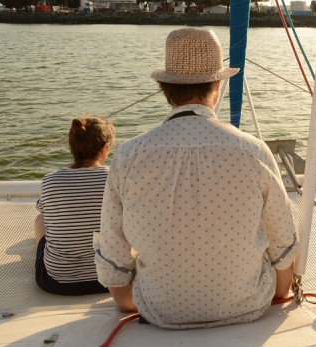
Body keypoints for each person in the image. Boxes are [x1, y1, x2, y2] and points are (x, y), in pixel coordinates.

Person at [94, 28, 298, 329]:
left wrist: (130, 302)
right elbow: (283, 244)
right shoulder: (253, 151)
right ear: (217, 85)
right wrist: (280, 293)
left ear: (165, 89)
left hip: (160, 312)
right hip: (249, 307)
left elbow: (113, 254)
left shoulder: (128, 155)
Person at [34, 116, 115, 295]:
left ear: (72, 147)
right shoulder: (116, 179)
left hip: (58, 280)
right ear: (104, 148)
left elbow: (44, 211)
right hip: (112, 281)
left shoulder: (51, 180)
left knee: (40, 218)